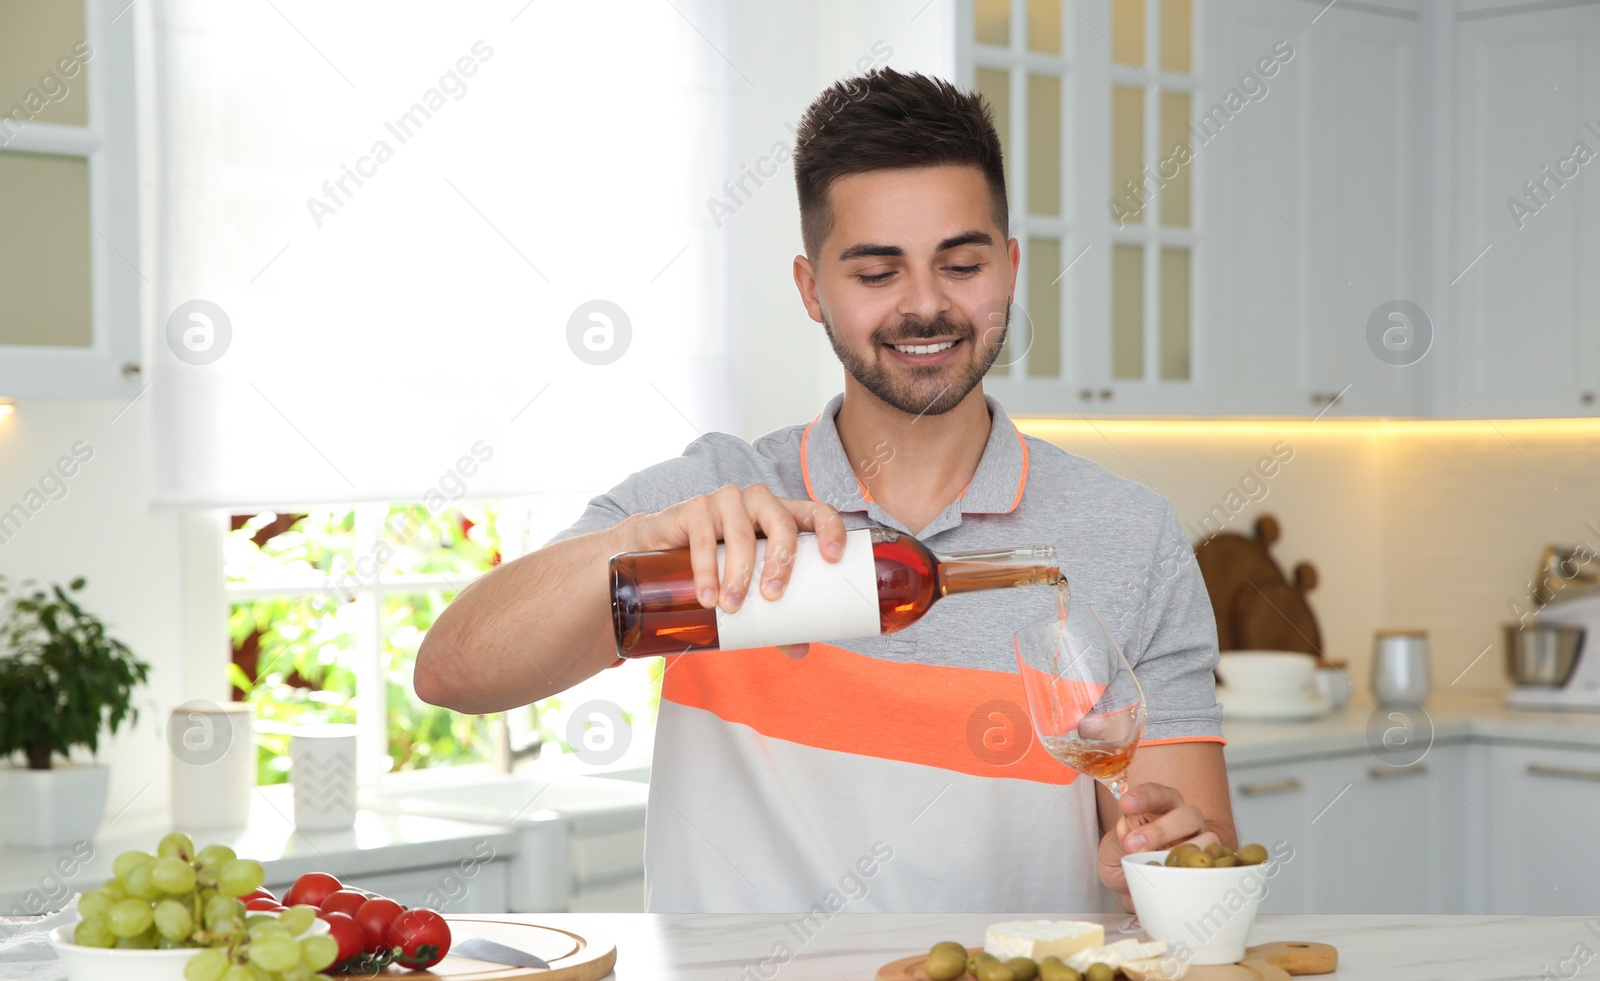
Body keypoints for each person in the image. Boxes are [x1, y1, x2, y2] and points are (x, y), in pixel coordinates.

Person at [416, 68, 1235, 913]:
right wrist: (645, 540)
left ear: (1010, 269)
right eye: (876, 274)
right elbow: (451, 672)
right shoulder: (712, 501)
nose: (926, 306)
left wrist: (1168, 868)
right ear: (811, 290)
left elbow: (1184, 880)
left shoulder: (1130, 536)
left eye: (960, 264)